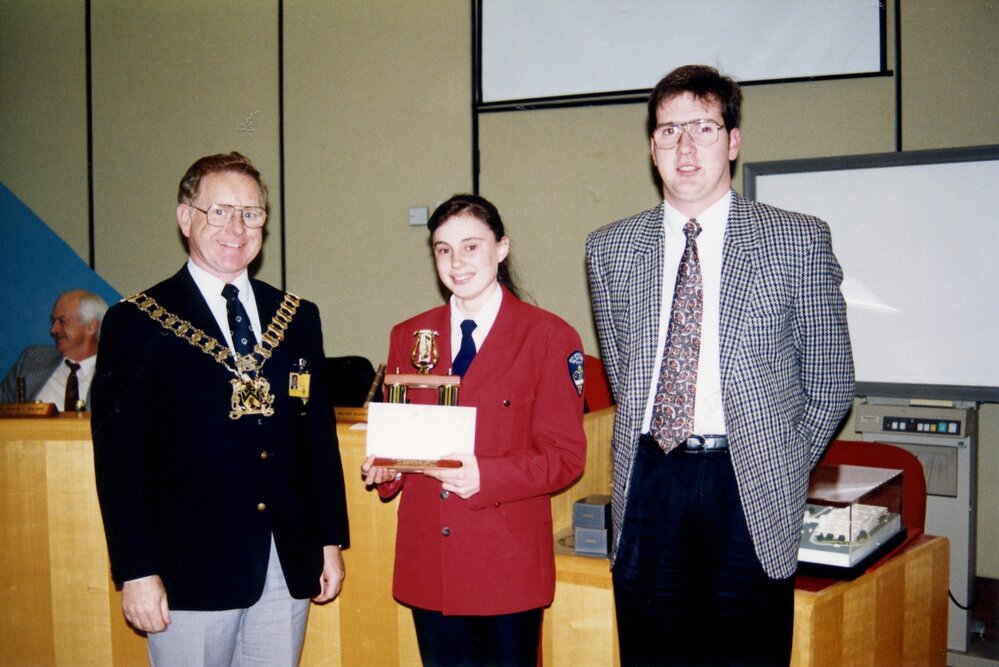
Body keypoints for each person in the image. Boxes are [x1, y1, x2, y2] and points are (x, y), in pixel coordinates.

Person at [585, 65, 854, 667]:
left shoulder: (795, 240)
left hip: (748, 481)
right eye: (668, 131)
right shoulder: (609, 249)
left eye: (703, 128)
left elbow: (832, 382)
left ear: (733, 141)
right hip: (650, 479)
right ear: (651, 147)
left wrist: (778, 465)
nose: (685, 148)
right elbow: (629, 374)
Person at [91, 152, 349, 666]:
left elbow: (316, 436)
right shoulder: (137, 321)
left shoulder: (296, 316)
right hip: (187, 567)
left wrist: (329, 540)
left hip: (285, 559)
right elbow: (121, 462)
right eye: (220, 211)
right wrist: (136, 570)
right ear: (186, 217)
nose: (237, 227)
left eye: (251, 213)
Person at [362, 194, 586, 666]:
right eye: (443, 249)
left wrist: (489, 475)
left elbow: (566, 456)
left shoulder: (548, 336)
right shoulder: (411, 335)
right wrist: (389, 469)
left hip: (505, 563)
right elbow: (405, 438)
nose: (456, 262)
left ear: (501, 249)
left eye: (470, 246)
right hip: (431, 563)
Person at [0, 289, 108, 409]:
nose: (53, 330)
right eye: (53, 321)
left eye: (62, 321)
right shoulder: (32, 360)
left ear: (91, 326)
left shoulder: (120, 375)